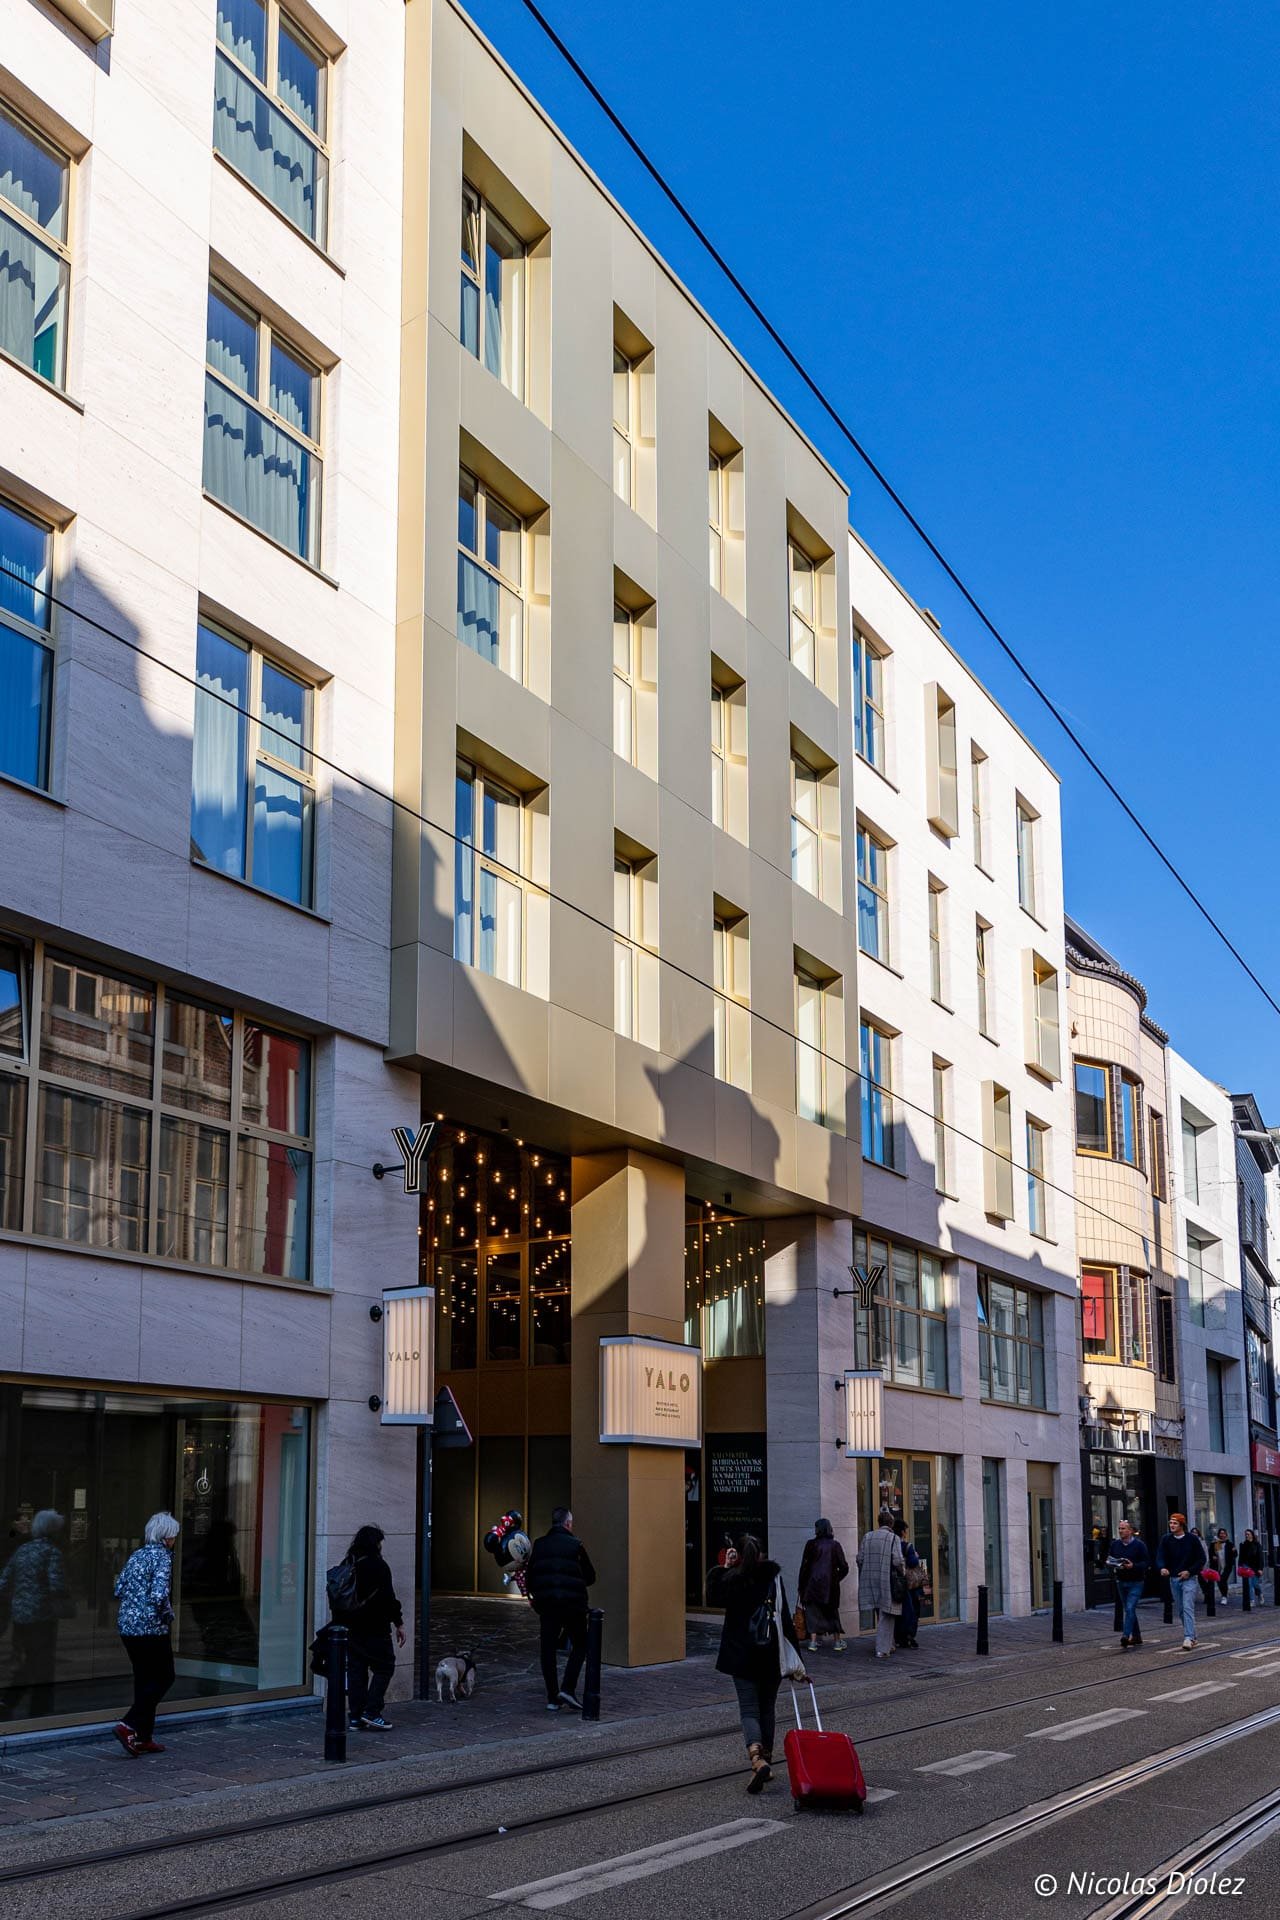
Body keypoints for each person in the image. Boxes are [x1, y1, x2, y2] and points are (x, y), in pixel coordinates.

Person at [706, 1534, 805, 1792]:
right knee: (767, 1708)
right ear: (761, 1553)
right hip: (770, 1654)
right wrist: (798, 1663)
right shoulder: (773, 1578)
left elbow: (714, 1596)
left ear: (737, 1555)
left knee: (749, 1709)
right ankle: (767, 1760)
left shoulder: (733, 1579)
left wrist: (724, 1568)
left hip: (741, 1655)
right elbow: (784, 1620)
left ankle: (757, 1758)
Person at [113, 1512, 180, 1756]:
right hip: (150, 1627)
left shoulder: (137, 1554)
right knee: (165, 1677)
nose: (174, 1539)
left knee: (144, 1679)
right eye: (173, 1535)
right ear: (166, 1536)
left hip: (127, 1626)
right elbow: (159, 1595)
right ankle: (128, 1724)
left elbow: (118, 1588)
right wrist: (167, 1616)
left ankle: (143, 1736)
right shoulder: (163, 1557)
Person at [332, 1525, 405, 1731]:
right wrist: (398, 1623)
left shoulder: (349, 1563)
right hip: (375, 1626)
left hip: (351, 1627)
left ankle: (355, 1716)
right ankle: (372, 1711)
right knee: (385, 1666)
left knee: (357, 1671)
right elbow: (388, 1599)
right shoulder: (378, 1566)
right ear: (375, 1544)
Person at [0, 1510, 71, 1719]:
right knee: (41, 1662)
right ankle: (36, 1707)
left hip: (20, 1615)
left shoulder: (23, 1550)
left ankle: (11, 1701)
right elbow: (56, 1585)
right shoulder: (51, 1552)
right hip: (42, 1616)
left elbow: (4, 1580)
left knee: (30, 1659)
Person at [526, 1507, 596, 1712]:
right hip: (573, 1605)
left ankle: (552, 1697)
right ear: (568, 1524)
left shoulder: (539, 1545)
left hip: (547, 1606)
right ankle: (568, 1687)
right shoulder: (576, 1545)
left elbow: (531, 1578)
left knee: (547, 1650)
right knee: (581, 1645)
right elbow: (591, 1576)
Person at [857, 1509, 905, 1659]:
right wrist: (903, 1571)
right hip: (887, 1580)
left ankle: (890, 1644)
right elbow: (897, 1560)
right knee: (887, 1615)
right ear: (891, 1524)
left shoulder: (868, 1536)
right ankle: (882, 1649)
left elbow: (859, 1559)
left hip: (870, 1579)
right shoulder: (893, 1538)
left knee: (880, 1611)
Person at [797, 1518, 849, 1653]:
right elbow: (844, 1567)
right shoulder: (835, 1545)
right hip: (830, 1587)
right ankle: (837, 1641)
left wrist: (801, 1586)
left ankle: (813, 1642)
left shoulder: (810, 1544)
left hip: (811, 1585)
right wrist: (836, 1579)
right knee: (832, 1613)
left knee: (812, 1614)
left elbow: (804, 1567)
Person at [1158, 1512, 1207, 1650]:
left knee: (1187, 1607)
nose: (1172, 1525)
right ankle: (1193, 1636)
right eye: (1171, 1523)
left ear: (1182, 1525)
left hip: (1189, 1579)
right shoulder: (1166, 1539)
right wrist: (1162, 1567)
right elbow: (1160, 1555)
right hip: (1174, 1579)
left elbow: (1201, 1559)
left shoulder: (1192, 1539)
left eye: (1175, 1523)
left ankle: (1188, 1637)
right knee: (1180, 1610)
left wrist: (1189, 1571)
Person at [1106, 1518, 1149, 1649]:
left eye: (1123, 1528)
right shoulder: (1115, 1545)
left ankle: (1126, 1635)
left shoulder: (1139, 1545)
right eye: (1119, 1528)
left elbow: (1146, 1563)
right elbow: (1110, 1558)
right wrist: (1111, 1563)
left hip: (1136, 1581)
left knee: (1130, 1608)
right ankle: (1137, 1636)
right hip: (1121, 1580)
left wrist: (1133, 1566)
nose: (1120, 1531)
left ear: (1130, 1531)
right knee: (1129, 1610)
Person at [892, 1519, 921, 1650]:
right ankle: (909, 1636)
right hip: (908, 1584)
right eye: (905, 1530)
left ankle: (898, 1637)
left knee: (898, 1611)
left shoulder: (891, 1544)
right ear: (903, 1532)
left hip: (895, 1583)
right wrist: (915, 1555)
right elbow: (913, 1562)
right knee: (911, 1610)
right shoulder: (907, 1546)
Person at [1239, 1528, 1263, 1603]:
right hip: (1246, 1566)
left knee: (1255, 1584)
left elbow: (1260, 1557)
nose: (1246, 1536)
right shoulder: (1243, 1544)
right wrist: (1240, 1566)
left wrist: (1260, 1568)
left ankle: (1260, 1594)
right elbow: (1241, 1556)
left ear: (1252, 1535)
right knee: (1249, 1584)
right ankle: (1252, 1600)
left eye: (1248, 1534)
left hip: (1255, 1567)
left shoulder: (1257, 1545)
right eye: (1246, 1534)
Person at [1215, 1527, 1236, 1605]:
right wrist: (1213, 1557)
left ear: (1226, 1535)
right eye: (1221, 1533)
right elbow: (1213, 1553)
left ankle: (1224, 1596)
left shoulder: (1229, 1544)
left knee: (1223, 1580)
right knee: (1219, 1581)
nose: (1222, 1535)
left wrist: (1234, 1551)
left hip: (1227, 1566)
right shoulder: (1216, 1543)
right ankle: (1224, 1594)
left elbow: (1235, 1554)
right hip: (1219, 1566)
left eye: (1223, 1533)